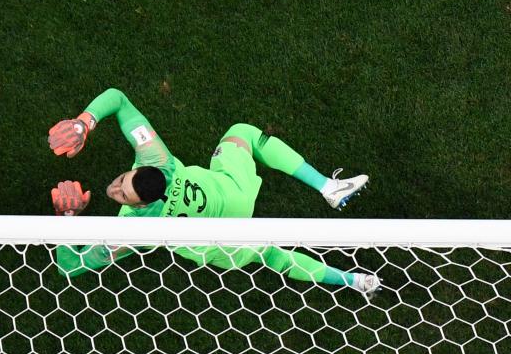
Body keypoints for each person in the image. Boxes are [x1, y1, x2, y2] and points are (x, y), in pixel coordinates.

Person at [47, 88, 380, 295]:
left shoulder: (135, 230)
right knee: (241, 134)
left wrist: (67, 220)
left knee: (274, 256)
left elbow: (70, 266)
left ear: (141, 203)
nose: (115, 187)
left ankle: (352, 280)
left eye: (122, 190)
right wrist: (83, 122)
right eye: (122, 185)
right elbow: (118, 99)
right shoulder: (158, 158)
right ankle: (329, 188)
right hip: (233, 191)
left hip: (225, 244)